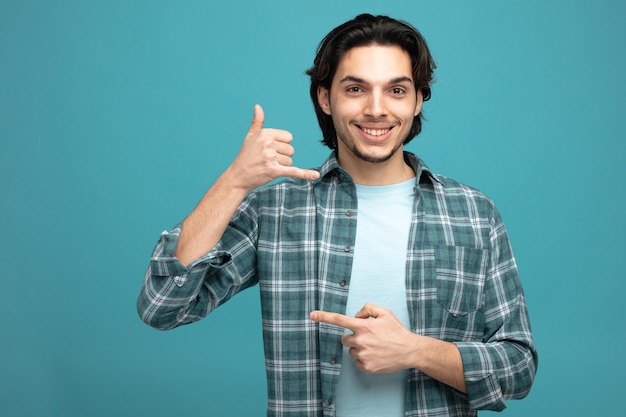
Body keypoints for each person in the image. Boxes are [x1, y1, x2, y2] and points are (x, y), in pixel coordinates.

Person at [137, 13, 538, 417]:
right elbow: (163, 306)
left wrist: (416, 350)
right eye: (355, 89)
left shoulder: (473, 214)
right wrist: (235, 182)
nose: (376, 109)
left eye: (396, 90)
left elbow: (518, 368)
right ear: (325, 98)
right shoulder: (276, 211)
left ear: (417, 100)